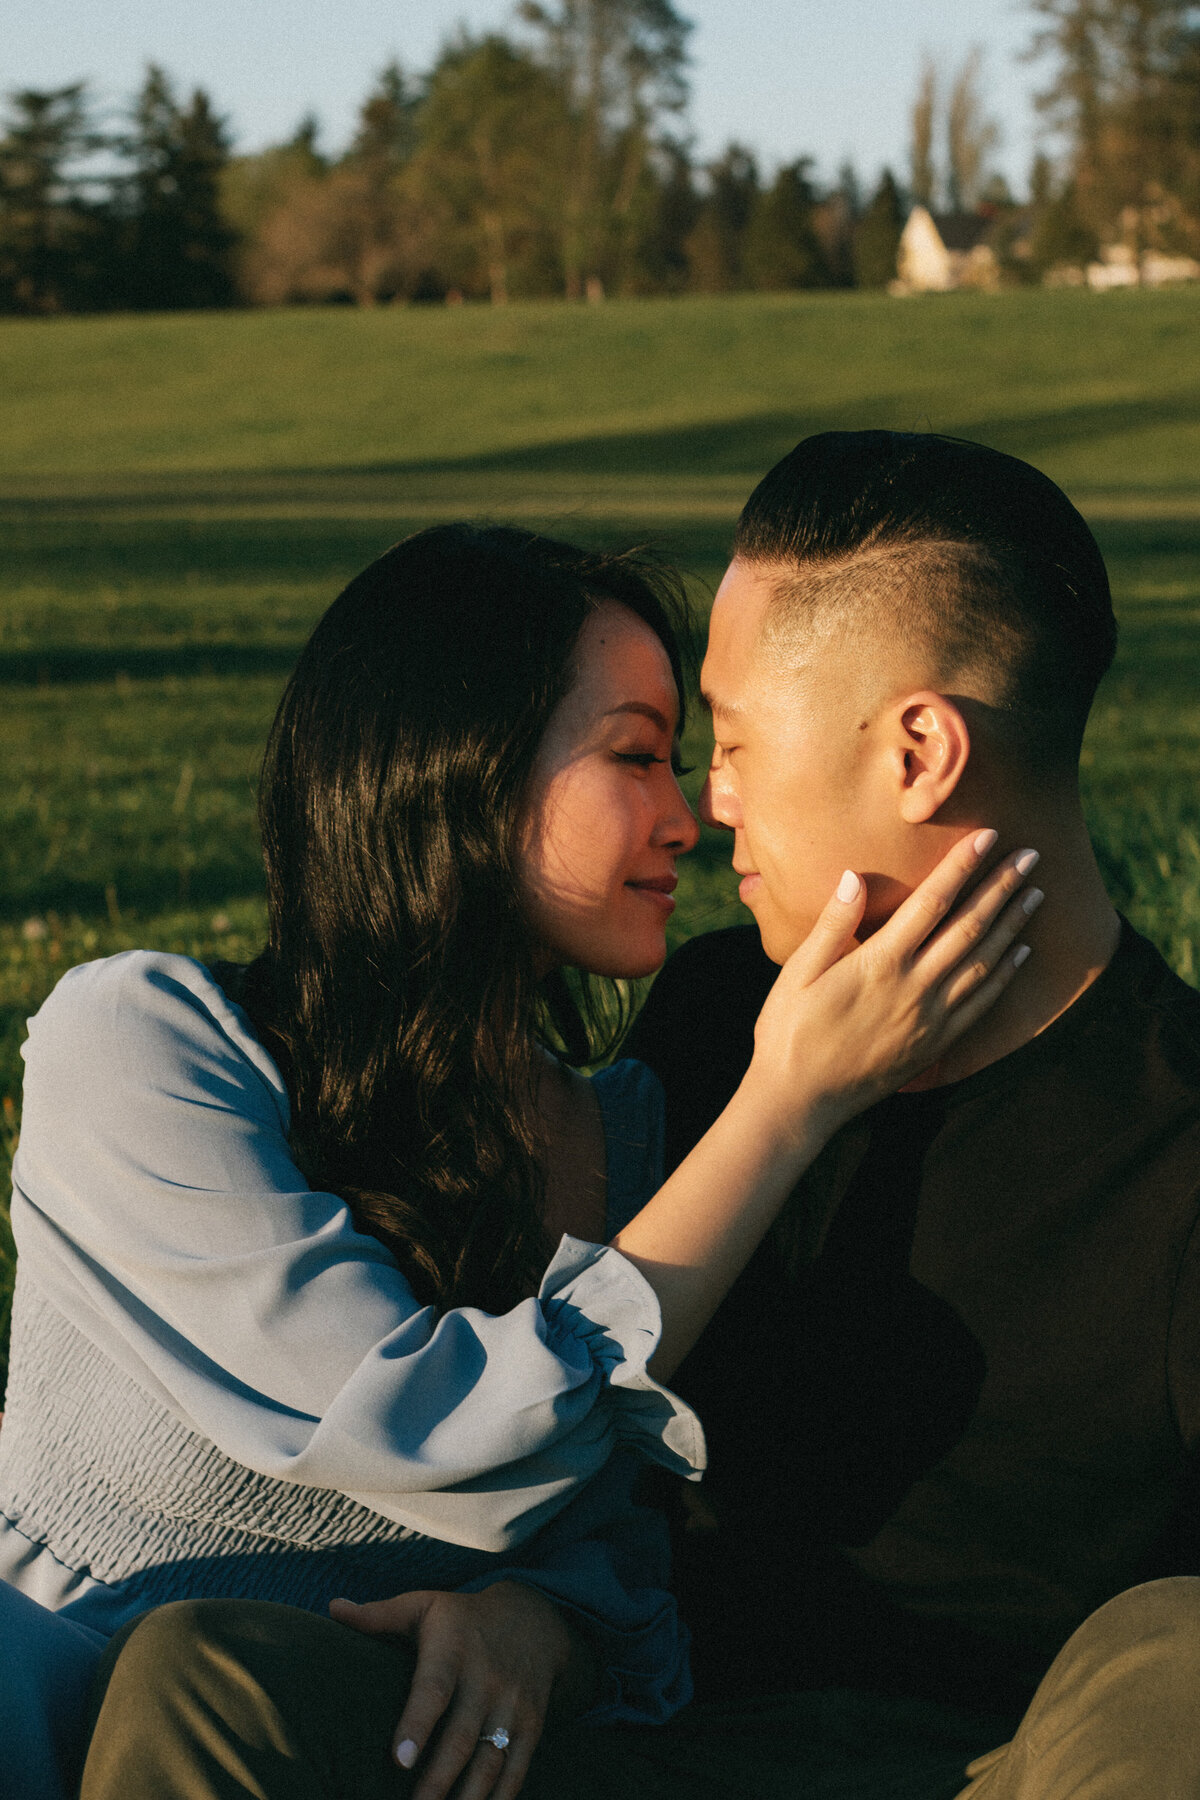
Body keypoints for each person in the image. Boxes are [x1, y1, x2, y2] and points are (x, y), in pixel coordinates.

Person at [88, 433, 1200, 1800]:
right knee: (213, 1674)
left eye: (728, 743)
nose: (706, 804)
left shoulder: (1178, 1133)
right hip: (641, 1738)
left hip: (1003, 1764)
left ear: (920, 752)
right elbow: (581, 1435)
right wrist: (537, 1615)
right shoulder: (715, 1016)